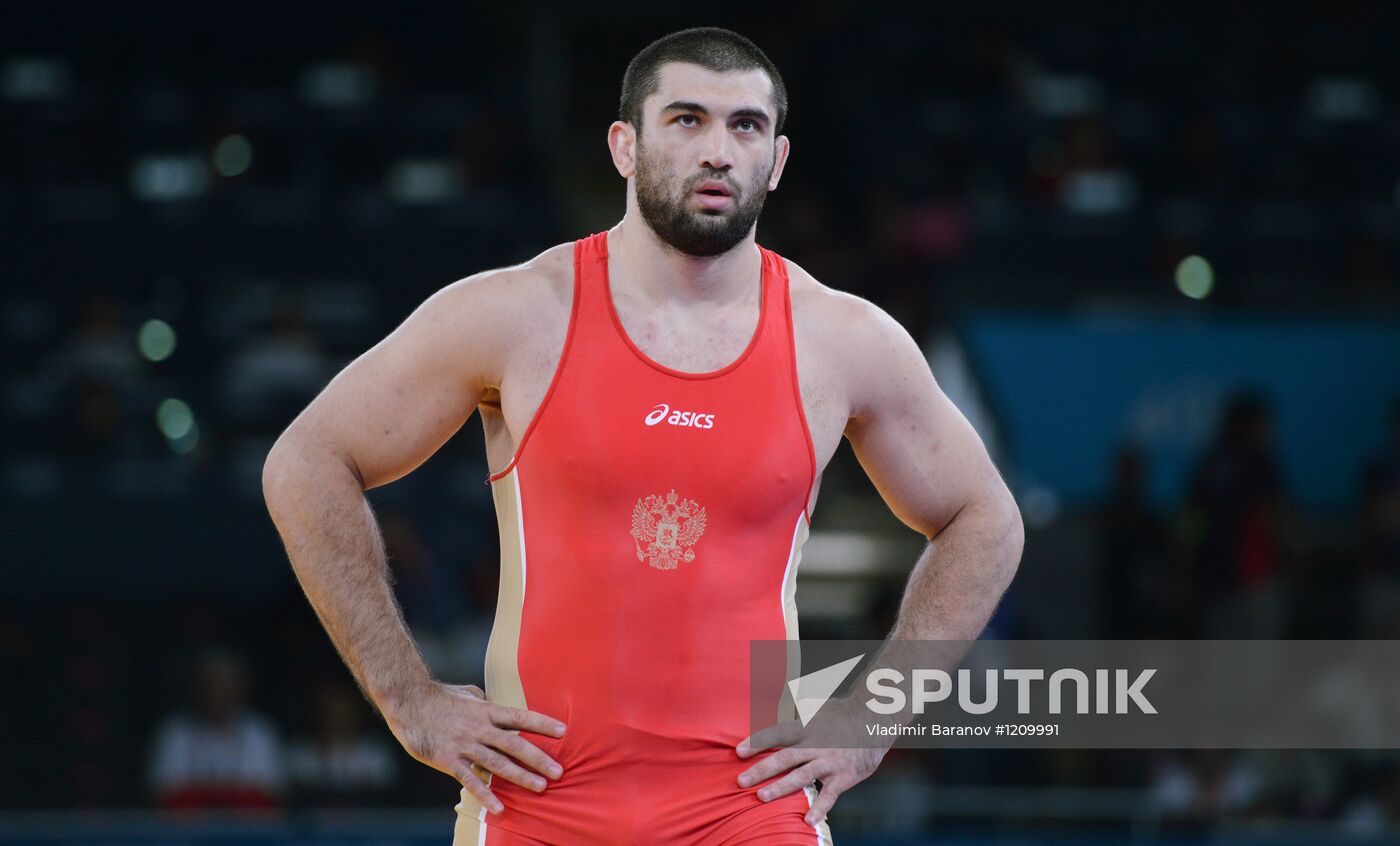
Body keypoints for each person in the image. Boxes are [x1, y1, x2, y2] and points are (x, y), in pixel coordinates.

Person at [262, 26, 1022, 845]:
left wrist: (876, 716)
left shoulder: (841, 340)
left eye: (746, 127)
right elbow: (306, 462)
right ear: (625, 145)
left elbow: (986, 519)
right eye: (687, 120)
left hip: (749, 813)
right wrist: (407, 698)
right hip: (540, 807)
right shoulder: (519, 316)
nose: (720, 151)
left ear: (779, 159)